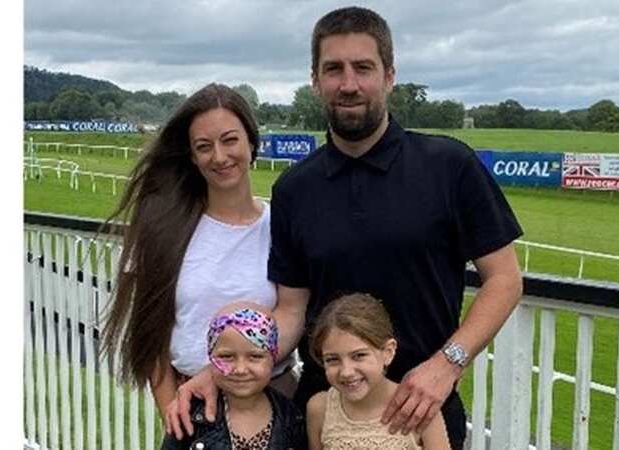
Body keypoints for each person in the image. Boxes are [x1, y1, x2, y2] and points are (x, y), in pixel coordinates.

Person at [177, 7, 523, 449]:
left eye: (363, 67)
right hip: (324, 416)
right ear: (315, 80)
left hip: (422, 409)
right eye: (333, 69)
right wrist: (221, 369)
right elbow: (291, 310)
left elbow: (505, 280)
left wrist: (447, 365)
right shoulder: (294, 188)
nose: (349, 84)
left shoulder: (449, 165)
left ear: (389, 75)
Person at [100, 83, 298, 448]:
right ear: (191, 156)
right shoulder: (159, 228)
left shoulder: (281, 226)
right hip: (194, 411)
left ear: (252, 143)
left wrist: (218, 371)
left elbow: (292, 310)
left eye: (230, 140)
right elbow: (151, 336)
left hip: (275, 408)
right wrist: (173, 413)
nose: (219, 157)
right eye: (204, 147)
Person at [306, 293, 450, 450]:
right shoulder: (320, 408)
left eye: (359, 355)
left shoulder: (418, 407)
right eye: (332, 359)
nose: (346, 372)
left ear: (388, 352)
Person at [173, 302, 306, 450]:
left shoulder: (291, 417)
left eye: (255, 356)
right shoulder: (189, 416)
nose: (240, 369)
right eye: (227, 356)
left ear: (273, 358)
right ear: (211, 357)